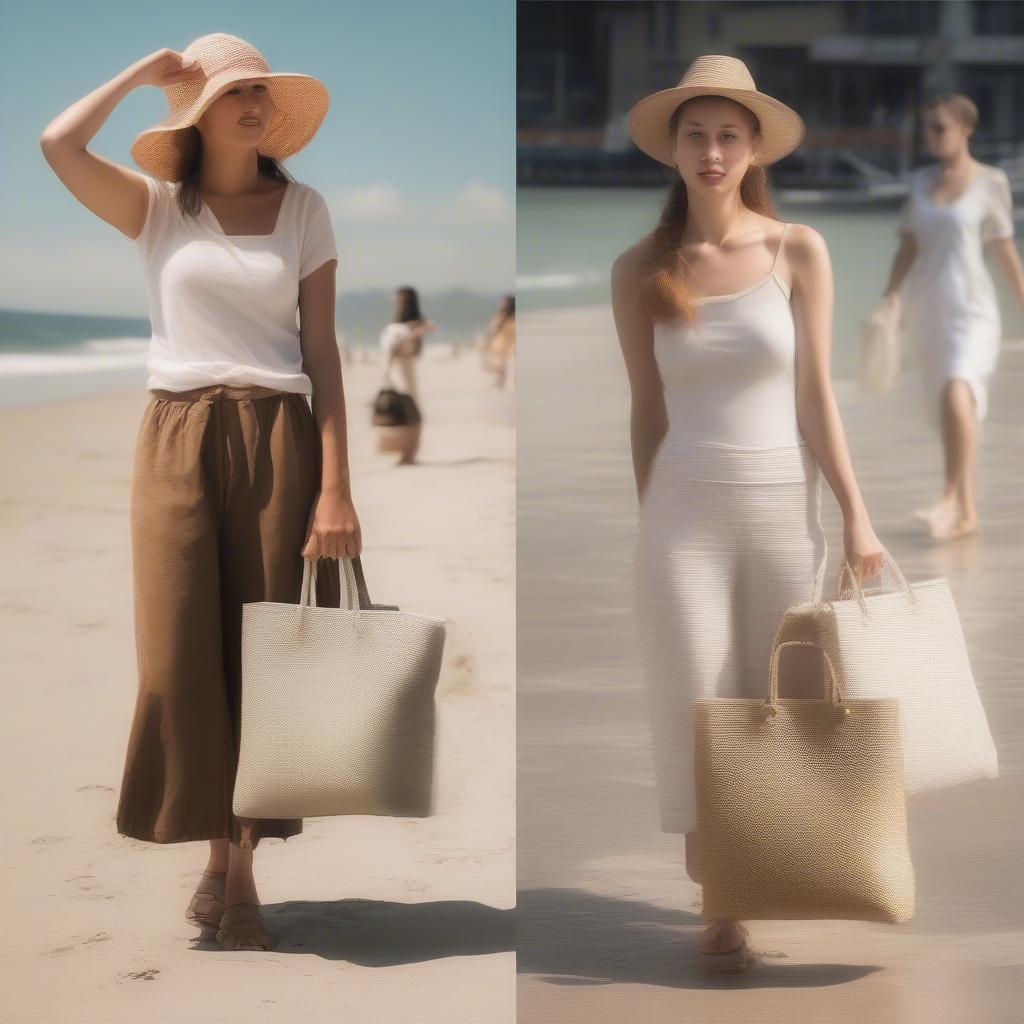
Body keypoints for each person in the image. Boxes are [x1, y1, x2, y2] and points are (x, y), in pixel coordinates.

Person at [39, 33, 362, 951]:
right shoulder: (155, 210)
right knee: (178, 659)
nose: (252, 103)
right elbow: (57, 145)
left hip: (277, 437)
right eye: (231, 92)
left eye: (259, 89)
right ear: (196, 114)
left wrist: (336, 485)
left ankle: (239, 867)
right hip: (175, 436)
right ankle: (214, 854)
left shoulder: (305, 210)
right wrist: (140, 75)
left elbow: (323, 353)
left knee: (261, 659)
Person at [612, 54, 883, 972]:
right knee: (699, 700)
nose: (713, 150)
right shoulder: (640, 268)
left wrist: (858, 515)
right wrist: (650, 520)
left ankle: (756, 868)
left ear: (755, 146)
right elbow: (646, 410)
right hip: (680, 508)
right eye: (697, 134)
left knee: (774, 703)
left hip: (781, 504)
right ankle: (718, 892)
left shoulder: (796, 249)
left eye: (730, 134)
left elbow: (816, 398)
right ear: (674, 150)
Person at [876, 93, 1024, 542]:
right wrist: (890, 296)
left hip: (973, 311)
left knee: (959, 394)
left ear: (965, 128)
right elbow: (908, 246)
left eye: (940, 127)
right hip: (928, 312)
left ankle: (947, 497)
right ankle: (968, 514)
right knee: (953, 413)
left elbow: (1004, 252)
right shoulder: (920, 181)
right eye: (928, 128)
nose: (932, 135)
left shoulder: (991, 182)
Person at [376, 285, 435, 464]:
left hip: (405, 372)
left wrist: (410, 337)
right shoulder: (398, 323)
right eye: (396, 297)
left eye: (400, 297)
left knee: (411, 411)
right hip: (394, 372)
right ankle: (404, 452)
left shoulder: (416, 324)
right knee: (399, 412)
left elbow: (413, 351)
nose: (396, 300)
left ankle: (411, 453)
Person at [480, 294, 516, 390]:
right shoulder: (507, 317)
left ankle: (502, 382)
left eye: (503, 301)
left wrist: (487, 342)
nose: (500, 303)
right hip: (506, 344)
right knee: (500, 366)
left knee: (491, 365)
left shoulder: (503, 317)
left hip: (503, 344)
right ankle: (502, 381)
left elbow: (494, 331)